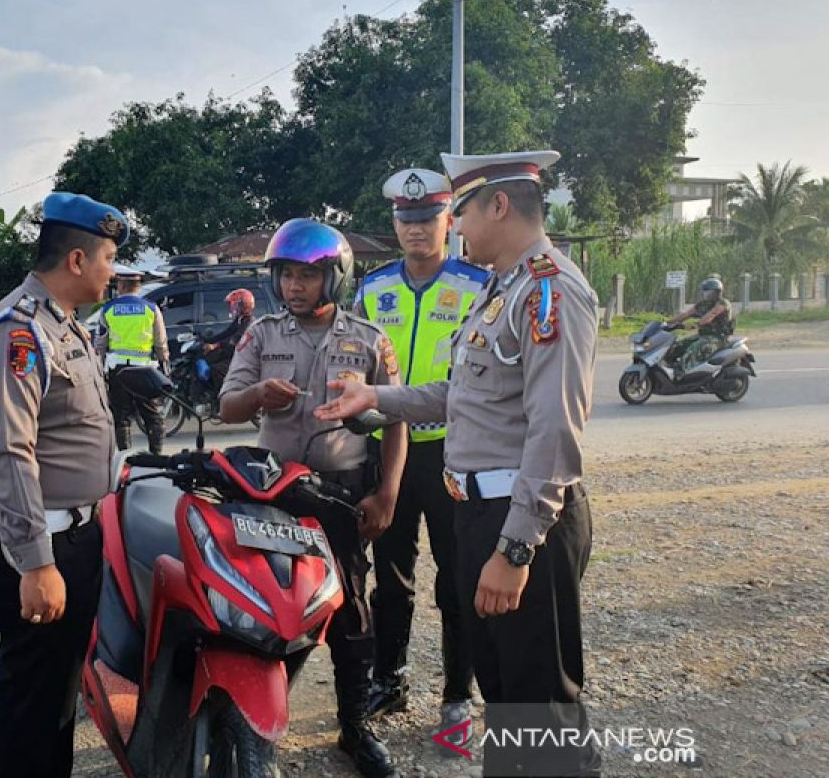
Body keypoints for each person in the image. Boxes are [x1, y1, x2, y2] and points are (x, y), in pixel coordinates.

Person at [317, 151, 601, 776]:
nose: (457, 228)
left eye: (462, 212)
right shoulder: (504, 284)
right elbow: (463, 392)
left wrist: (516, 549)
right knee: (503, 695)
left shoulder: (548, 291)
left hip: (520, 521)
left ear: (498, 206)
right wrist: (378, 397)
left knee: (540, 708)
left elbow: (555, 436)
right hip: (478, 509)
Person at [219, 218, 408, 778]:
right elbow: (228, 405)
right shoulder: (260, 336)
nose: (295, 286)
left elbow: (394, 420)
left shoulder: (371, 340)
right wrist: (257, 393)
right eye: (286, 276)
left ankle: (355, 726)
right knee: (266, 612)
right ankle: (256, 726)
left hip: (344, 497)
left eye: (308, 275)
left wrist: (388, 494)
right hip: (273, 494)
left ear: (336, 277)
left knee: (350, 612)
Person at [0, 191, 124, 778]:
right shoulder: (19, 332)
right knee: (29, 701)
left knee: (57, 690)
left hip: (73, 539)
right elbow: (9, 454)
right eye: (108, 258)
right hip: (41, 548)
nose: (114, 272)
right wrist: (36, 564)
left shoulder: (63, 326)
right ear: (78, 261)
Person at [352, 168, 489, 745]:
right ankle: (391, 676)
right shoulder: (372, 288)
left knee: (459, 582)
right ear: (395, 224)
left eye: (427, 219)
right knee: (391, 578)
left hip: (455, 451)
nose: (415, 230)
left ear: (448, 222)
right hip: (390, 452)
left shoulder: (478, 283)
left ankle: (458, 694)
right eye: (406, 221)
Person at [95, 271, 169, 454]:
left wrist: (98, 366)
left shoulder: (108, 309)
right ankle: (156, 455)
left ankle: (125, 456)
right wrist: (164, 363)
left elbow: (100, 343)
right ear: (138, 287)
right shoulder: (151, 309)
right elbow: (160, 342)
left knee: (121, 416)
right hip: (145, 370)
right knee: (153, 415)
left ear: (121, 286)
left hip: (118, 369)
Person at [665, 277, 734, 373]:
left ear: (716, 292)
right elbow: (686, 314)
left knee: (693, 349)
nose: (705, 293)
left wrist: (694, 324)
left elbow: (710, 316)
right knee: (676, 346)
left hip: (718, 337)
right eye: (704, 291)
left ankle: (683, 374)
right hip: (703, 335)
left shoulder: (723, 303)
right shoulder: (703, 304)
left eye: (707, 291)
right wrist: (667, 322)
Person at [201, 287, 256, 390]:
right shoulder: (239, 320)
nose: (233, 308)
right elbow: (226, 333)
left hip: (242, 359)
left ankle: (221, 398)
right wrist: (207, 340)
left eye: (235, 305)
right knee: (209, 359)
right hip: (232, 354)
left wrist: (215, 345)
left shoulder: (249, 322)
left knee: (217, 369)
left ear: (243, 305)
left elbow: (234, 339)